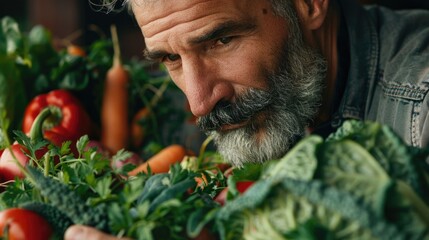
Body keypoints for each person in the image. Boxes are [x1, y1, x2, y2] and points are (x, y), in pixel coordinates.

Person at [65, 0, 429, 239]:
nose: (199, 103)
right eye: (170, 60)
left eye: (221, 41)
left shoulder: (421, 108)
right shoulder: (224, 103)